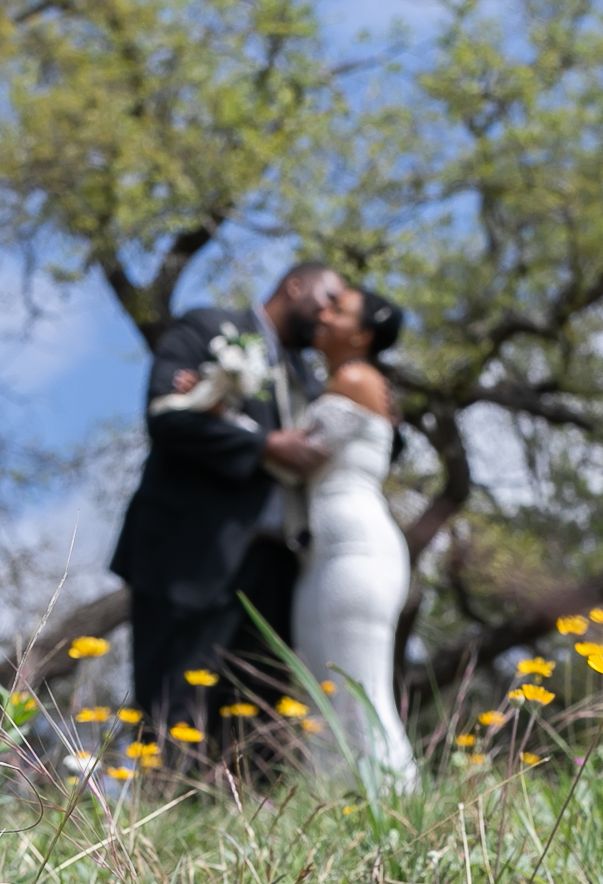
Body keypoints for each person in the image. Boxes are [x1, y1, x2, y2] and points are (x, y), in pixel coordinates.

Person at [109, 262, 343, 728]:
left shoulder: (305, 377)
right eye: (329, 299)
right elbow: (166, 414)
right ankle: (165, 800)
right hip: (188, 553)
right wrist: (265, 446)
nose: (332, 316)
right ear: (295, 286)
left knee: (257, 713)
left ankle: (249, 801)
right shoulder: (207, 328)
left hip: (274, 567)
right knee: (173, 704)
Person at [290, 286, 417, 786]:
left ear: (362, 335)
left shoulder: (355, 377)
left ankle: (401, 807)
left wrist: (217, 414)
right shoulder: (343, 381)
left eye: (337, 310)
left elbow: (298, 456)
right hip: (326, 554)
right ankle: (335, 804)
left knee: (359, 689)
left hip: (357, 548)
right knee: (324, 695)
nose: (323, 314)